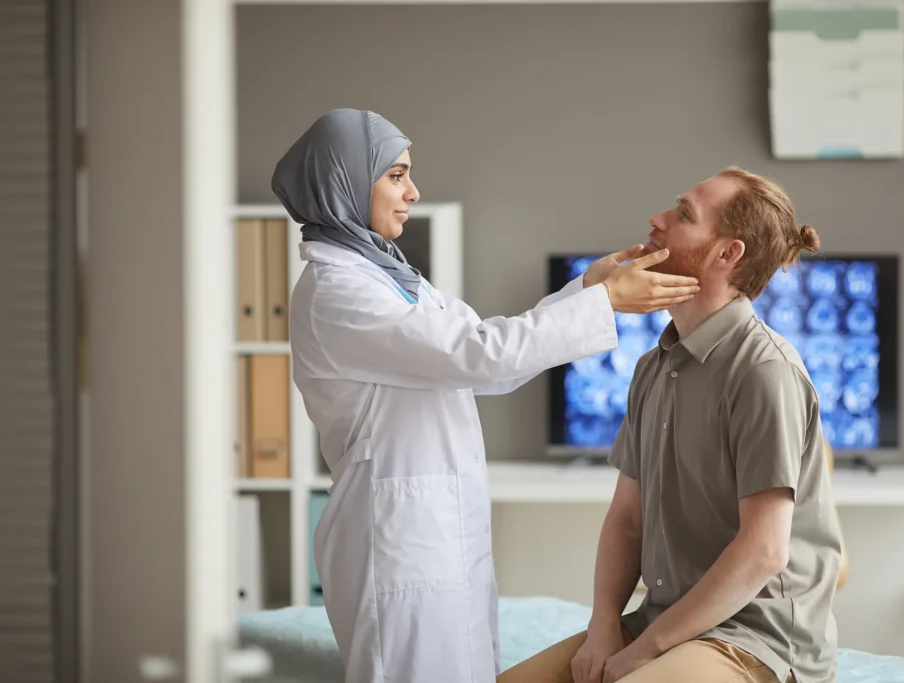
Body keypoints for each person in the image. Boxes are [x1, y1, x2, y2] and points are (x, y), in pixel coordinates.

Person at [272, 108, 701, 683]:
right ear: (344, 181)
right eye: (396, 175)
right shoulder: (339, 291)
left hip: (433, 528)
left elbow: (486, 360)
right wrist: (605, 304)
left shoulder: (390, 276)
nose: (412, 192)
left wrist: (586, 289)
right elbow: (479, 356)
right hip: (396, 536)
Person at [497, 167, 843, 683]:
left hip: (753, 640)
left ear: (728, 254)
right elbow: (628, 519)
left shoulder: (764, 372)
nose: (656, 219)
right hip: (665, 620)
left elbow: (763, 552)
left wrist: (642, 653)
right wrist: (603, 628)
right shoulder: (653, 366)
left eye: (683, 215)